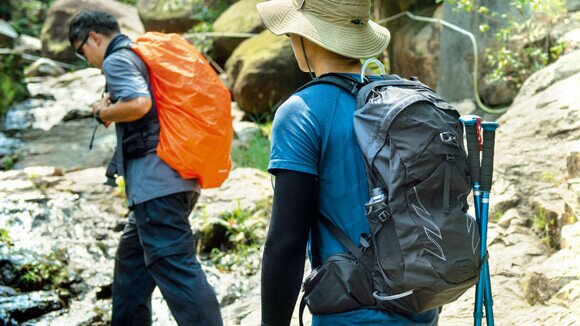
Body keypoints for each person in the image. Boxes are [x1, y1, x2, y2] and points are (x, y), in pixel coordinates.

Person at [256, 1, 439, 325]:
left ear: (306, 37)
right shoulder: (408, 98)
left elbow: (286, 243)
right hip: (419, 310)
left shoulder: (303, 111)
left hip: (349, 315)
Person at [68, 11, 222, 326]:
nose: (87, 60)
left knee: (177, 270)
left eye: (82, 51)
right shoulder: (142, 55)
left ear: (94, 37)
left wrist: (103, 111)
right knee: (131, 264)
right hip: (176, 178)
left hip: (156, 185)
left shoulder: (117, 59)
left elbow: (139, 103)